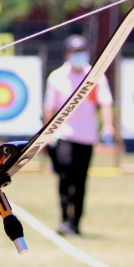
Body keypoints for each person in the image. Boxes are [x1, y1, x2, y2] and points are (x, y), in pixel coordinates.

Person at [43, 34, 114, 236]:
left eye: (81, 52)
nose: (79, 56)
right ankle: (65, 219)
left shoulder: (95, 76)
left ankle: (76, 222)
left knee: (80, 181)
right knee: (65, 175)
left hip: (87, 136)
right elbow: (50, 108)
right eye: (75, 52)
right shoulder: (56, 77)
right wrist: (48, 133)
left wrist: (108, 126)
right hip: (64, 134)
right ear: (67, 54)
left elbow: (105, 103)